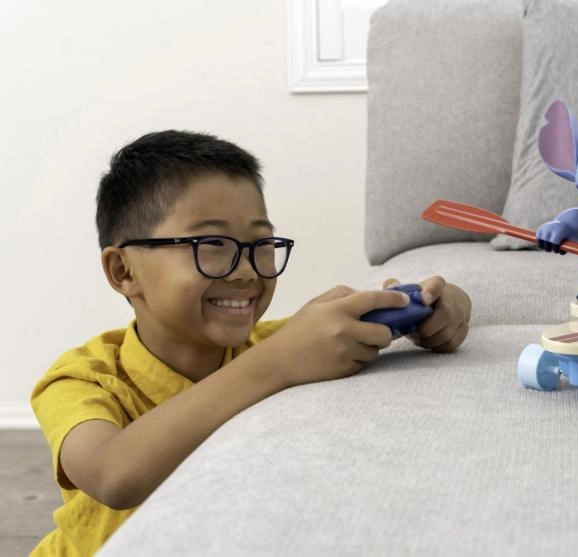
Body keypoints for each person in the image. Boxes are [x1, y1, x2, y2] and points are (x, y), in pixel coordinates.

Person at [30, 130, 472, 556]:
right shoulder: (80, 381)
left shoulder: (277, 346)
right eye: (212, 243)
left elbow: (361, 319)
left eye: (260, 243)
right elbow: (114, 475)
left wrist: (439, 304)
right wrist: (276, 364)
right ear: (123, 271)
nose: (246, 270)